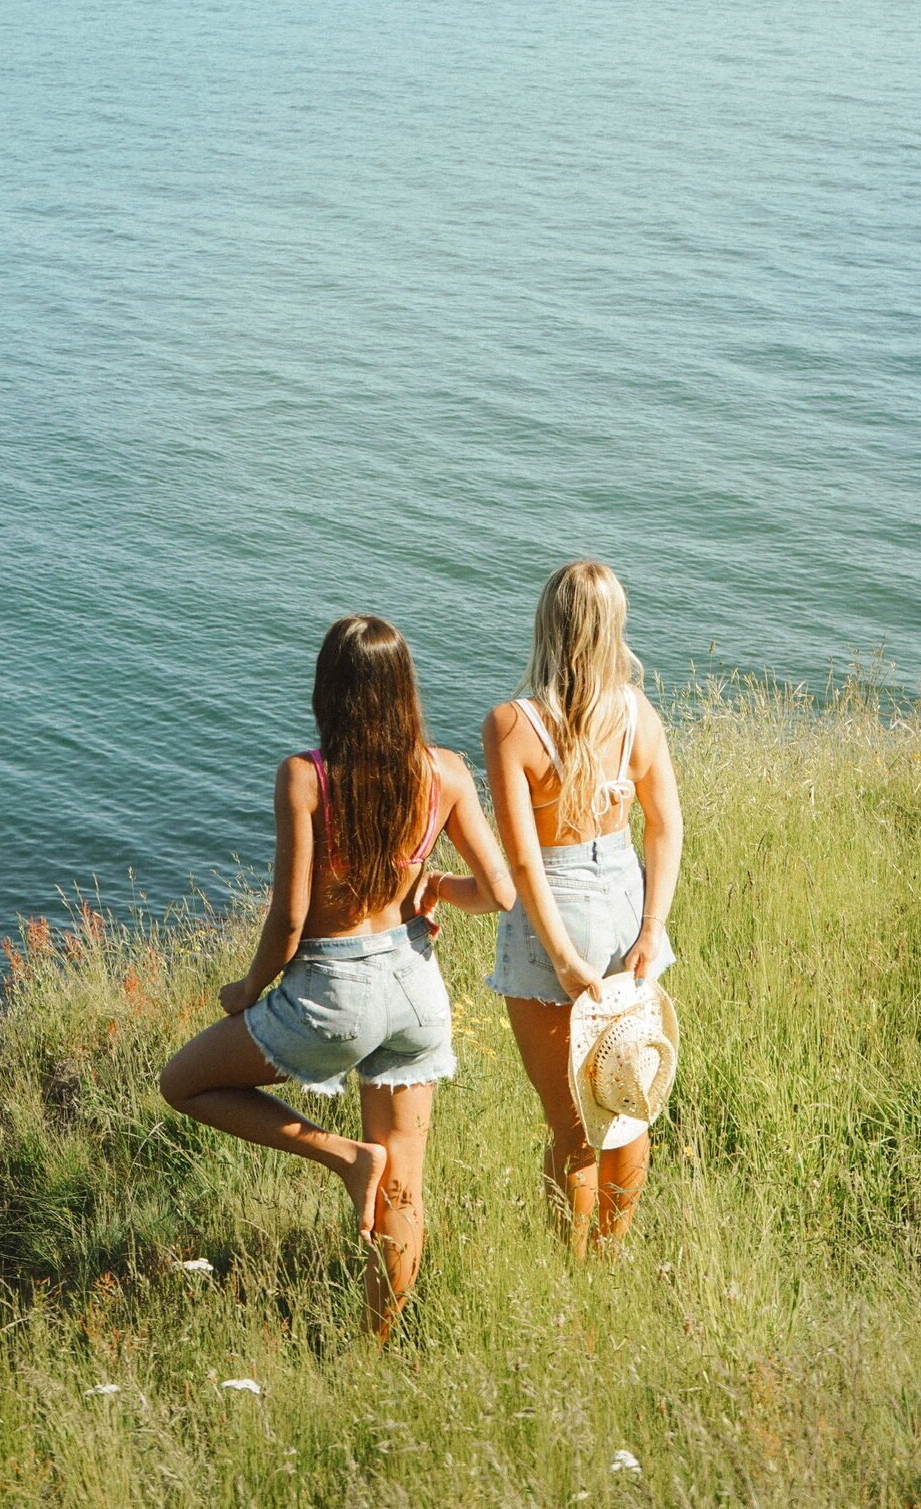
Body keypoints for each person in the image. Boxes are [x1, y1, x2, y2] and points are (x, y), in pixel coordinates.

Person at [160, 615, 514, 1340]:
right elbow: (501, 893)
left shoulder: (306, 777)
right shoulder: (444, 771)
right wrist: (437, 886)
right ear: (404, 689)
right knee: (406, 1184)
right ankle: (376, 1345)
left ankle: (345, 1157)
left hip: (333, 991)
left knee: (183, 1083)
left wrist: (247, 991)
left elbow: (290, 921)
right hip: (418, 989)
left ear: (331, 690)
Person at [483, 560, 682, 1257]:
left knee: (571, 1127)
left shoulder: (513, 725)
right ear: (613, 627)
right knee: (628, 1106)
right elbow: (665, 826)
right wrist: (651, 931)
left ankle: (571, 1272)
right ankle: (612, 1253)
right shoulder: (637, 714)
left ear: (547, 622)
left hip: (556, 922)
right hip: (627, 908)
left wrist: (564, 958)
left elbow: (522, 861)